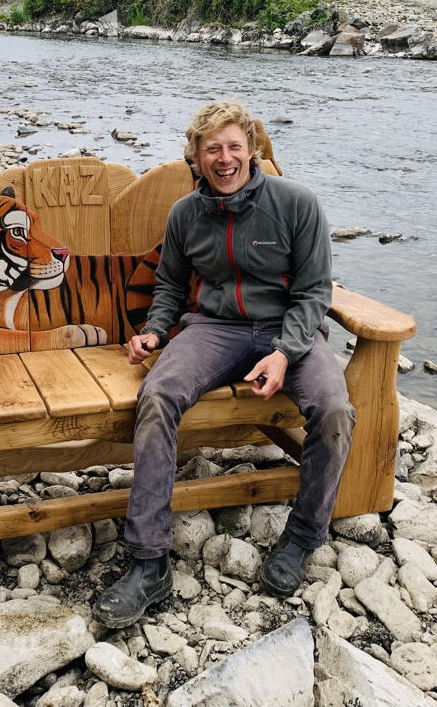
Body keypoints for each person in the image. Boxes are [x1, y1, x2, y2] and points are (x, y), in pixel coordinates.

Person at [92, 100, 355, 629]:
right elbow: (169, 285)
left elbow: (312, 294)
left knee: (332, 409)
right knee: (158, 396)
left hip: (289, 331)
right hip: (215, 329)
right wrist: (152, 330)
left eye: (234, 146)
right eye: (212, 148)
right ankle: (149, 561)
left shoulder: (297, 203)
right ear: (196, 156)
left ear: (253, 150)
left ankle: (302, 538)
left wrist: (285, 353)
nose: (225, 158)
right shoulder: (186, 213)